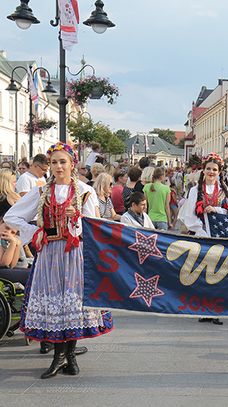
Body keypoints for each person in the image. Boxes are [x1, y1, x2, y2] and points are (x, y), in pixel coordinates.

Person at [4, 142, 113, 379]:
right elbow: (12, 216)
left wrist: (80, 218)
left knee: (72, 304)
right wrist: (34, 231)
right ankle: (59, 357)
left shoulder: (85, 190)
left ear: (72, 164)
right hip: (50, 254)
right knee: (56, 302)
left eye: (63, 161)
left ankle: (69, 356)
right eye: (54, 162)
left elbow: (95, 226)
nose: (58, 166)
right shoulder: (42, 191)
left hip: (74, 254)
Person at [183, 153, 228, 325]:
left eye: (214, 169)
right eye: (208, 169)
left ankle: (216, 309)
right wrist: (201, 232)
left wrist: (217, 210)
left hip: (220, 237)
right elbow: (189, 216)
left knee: (218, 274)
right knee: (202, 274)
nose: (211, 172)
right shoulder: (195, 191)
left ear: (219, 171)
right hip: (202, 237)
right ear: (203, 170)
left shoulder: (226, 191)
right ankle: (203, 309)